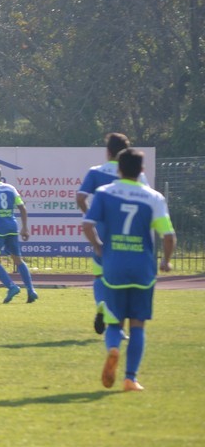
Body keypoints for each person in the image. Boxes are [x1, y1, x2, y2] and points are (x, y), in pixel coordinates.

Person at [82, 149, 175, 391]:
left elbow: (87, 224)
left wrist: (99, 246)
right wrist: (166, 261)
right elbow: (168, 236)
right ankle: (130, 379)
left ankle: (113, 348)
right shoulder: (153, 197)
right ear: (141, 171)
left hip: (114, 267)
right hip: (142, 269)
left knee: (114, 323)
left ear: (119, 169)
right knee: (138, 324)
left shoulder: (104, 193)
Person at [77, 132, 148, 335]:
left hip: (102, 231)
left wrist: (92, 216)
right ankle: (120, 326)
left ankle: (102, 303)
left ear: (108, 152)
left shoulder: (96, 172)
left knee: (100, 275)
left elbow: (80, 197)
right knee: (126, 279)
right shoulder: (137, 174)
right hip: (129, 234)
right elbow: (145, 200)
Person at [0, 163, 38, 304]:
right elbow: (22, 208)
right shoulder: (11, 188)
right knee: (18, 260)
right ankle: (31, 290)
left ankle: (12, 287)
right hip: (12, 228)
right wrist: (25, 228)